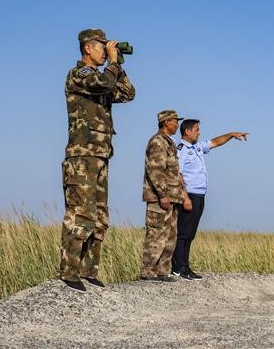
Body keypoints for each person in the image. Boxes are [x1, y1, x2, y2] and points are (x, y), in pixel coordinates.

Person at [60, 28, 135, 292]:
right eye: (102, 47)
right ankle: (69, 272)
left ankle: (89, 271)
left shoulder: (104, 78)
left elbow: (127, 94)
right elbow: (103, 84)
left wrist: (119, 65)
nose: (105, 51)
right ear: (88, 48)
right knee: (81, 214)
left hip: (101, 155)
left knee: (99, 217)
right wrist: (112, 64)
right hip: (81, 156)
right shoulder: (78, 75)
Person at [173, 119, 248, 280]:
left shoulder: (197, 147)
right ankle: (178, 268)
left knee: (190, 233)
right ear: (187, 131)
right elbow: (177, 174)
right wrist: (185, 197)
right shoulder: (181, 150)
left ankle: (185, 266)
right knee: (184, 233)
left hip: (200, 195)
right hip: (189, 195)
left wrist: (232, 135)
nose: (199, 132)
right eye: (196, 129)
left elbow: (215, 142)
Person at [141, 109, 191, 282]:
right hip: (159, 198)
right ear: (166, 122)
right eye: (175, 121)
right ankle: (148, 271)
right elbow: (155, 171)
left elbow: (172, 172)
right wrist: (162, 194)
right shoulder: (158, 142)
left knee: (170, 235)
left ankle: (162, 271)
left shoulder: (169, 142)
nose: (177, 124)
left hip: (173, 198)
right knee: (156, 234)